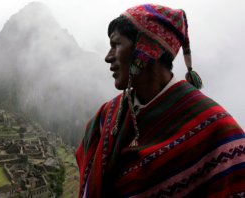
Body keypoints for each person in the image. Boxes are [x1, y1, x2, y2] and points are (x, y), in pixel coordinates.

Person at [75, 4, 245, 197]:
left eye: (116, 45)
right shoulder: (106, 117)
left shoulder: (217, 131)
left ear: (146, 50)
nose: (108, 57)